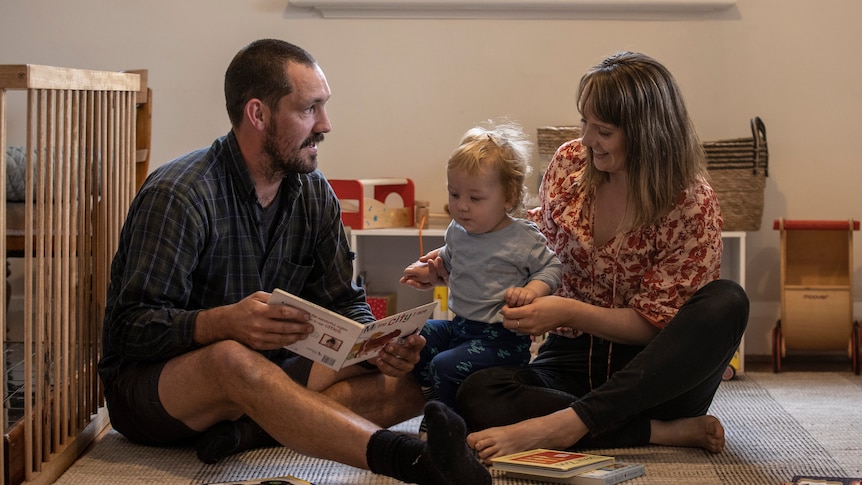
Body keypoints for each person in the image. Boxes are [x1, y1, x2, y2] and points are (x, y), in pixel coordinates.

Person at [97, 38, 490, 485]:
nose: (325, 124)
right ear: (258, 114)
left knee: (423, 377)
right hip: (158, 389)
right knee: (231, 359)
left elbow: (345, 300)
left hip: (272, 368)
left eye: (324, 107)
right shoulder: (181, 195)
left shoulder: (313, 192)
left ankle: (250, 431)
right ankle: (409, 460)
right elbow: (128, 329)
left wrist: (379, 346)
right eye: (309, 109)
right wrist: (221, 323)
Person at [404, 51, 749, 463]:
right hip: (568, 364)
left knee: (727, 301)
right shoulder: (569, 164)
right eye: (584, 122)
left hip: (653, 377)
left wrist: (566, 311)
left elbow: (655, 326)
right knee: (476, 390)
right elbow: (526, 236)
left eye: (602, 130)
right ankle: (655, 432)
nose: (586, 139)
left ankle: (566, 426)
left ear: (648, 133)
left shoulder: (692, 204)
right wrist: (449, 258)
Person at [400, 121, 562, 409]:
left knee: (444, 365)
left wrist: (533, 291)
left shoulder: (522, 237)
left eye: (475, 198)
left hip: (501, 339)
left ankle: (448, 417)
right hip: (460, 327)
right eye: (454, 194)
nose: (461, 206)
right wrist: (426, 271)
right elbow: (448, 261)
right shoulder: (457, 231)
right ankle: (435, 396)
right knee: (415, 338)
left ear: (508, 197)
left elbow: (552, 268)